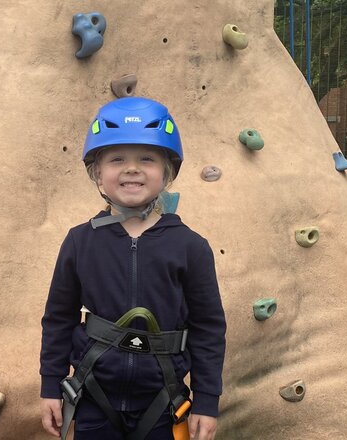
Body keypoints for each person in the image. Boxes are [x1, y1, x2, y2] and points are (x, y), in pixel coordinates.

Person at [39, 97, 226, 440]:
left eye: (147, 159)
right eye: (117, 159)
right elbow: (58, 318)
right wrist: (51, 385)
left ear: (167, 171)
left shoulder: (190, 247)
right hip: (94, 397)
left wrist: (207, 401)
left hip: (164, 400)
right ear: (97, 171)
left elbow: (208, 328)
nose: (131, 168)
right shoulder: (80, 242)